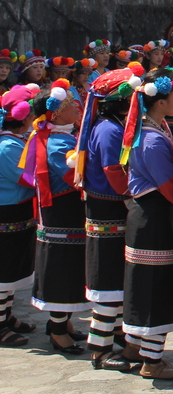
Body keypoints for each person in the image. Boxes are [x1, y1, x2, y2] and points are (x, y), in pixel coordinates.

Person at [118, 68, 173, 379]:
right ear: (160, 102)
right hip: (153, 217)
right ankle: (152, 360)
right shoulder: (152, 140)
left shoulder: (151, 130)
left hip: (147, 215)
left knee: (144, 281)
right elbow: (170, 185)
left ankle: (135, 346)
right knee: (155, 284)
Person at [74, 65, 145, 372]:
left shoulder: (113, 125)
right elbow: (114, 171)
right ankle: (100, 350)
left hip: (113, 210)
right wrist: (134, 198)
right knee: (108, 280)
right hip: (108, 211)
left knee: (116, 279)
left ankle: (116, 337)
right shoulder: (109, 130)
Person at [22, 80, 89, 354]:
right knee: (63, 268)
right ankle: (58, 330)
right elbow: (75, 176)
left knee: (71, 266)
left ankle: (63, 322)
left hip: (67, 213)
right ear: (57, 114)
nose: (77, 107)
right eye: (70, 104)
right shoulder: (57, 144)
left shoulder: (59, 137)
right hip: (62, 214)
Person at [0, 86, 36, 348]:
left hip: (17, 211)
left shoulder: (15, 142)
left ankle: (7, 315)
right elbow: (28, 179)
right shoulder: (8, 147)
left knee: (12, 270)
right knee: (4, 269)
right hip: (7, 212)